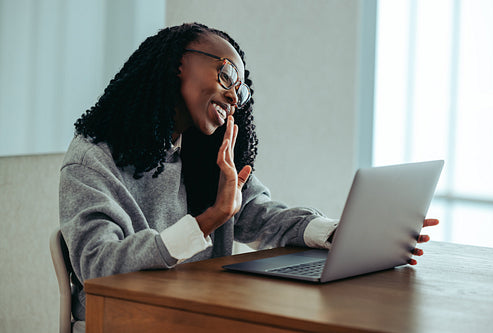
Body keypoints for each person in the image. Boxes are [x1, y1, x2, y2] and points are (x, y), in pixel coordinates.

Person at [59, 22, 438, 323]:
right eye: (226, 76)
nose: (232, 97)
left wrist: (346, 235)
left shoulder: (206, 153)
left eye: (240, 93)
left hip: (199, 309)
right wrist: (208, 221)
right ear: (179, 62)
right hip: (126, 317)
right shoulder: (93, 159)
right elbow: (98, 266)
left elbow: (262, 215)